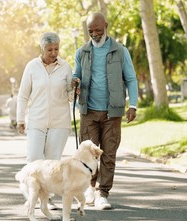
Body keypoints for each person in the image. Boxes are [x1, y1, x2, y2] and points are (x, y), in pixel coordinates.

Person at [72, 12, 138, 210]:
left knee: (108, 153)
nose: (94, 34)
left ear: (106, 26)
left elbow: (131, 79)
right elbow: (76, 74)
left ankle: (102, 193)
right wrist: (75, 82)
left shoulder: (120, 51)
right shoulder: (82, 52)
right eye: (91, 31)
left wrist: (132, 105)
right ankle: (89, 188)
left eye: (98, 30)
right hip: (88, 111)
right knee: (87, 155)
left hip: (112, 112)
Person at [16, 32, 75, 209]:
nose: (54, 53)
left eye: (56, 49)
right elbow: (23, 95)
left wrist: (74, 89)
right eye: (50, 49)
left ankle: (46, 199)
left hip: (60, 121)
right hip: (36, 120)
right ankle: (32, 195)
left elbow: (70, 96)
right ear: (42, 49)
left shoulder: (65, 66)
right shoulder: (32, 66)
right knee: (34, 159)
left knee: (51, 163)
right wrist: (20, 119)